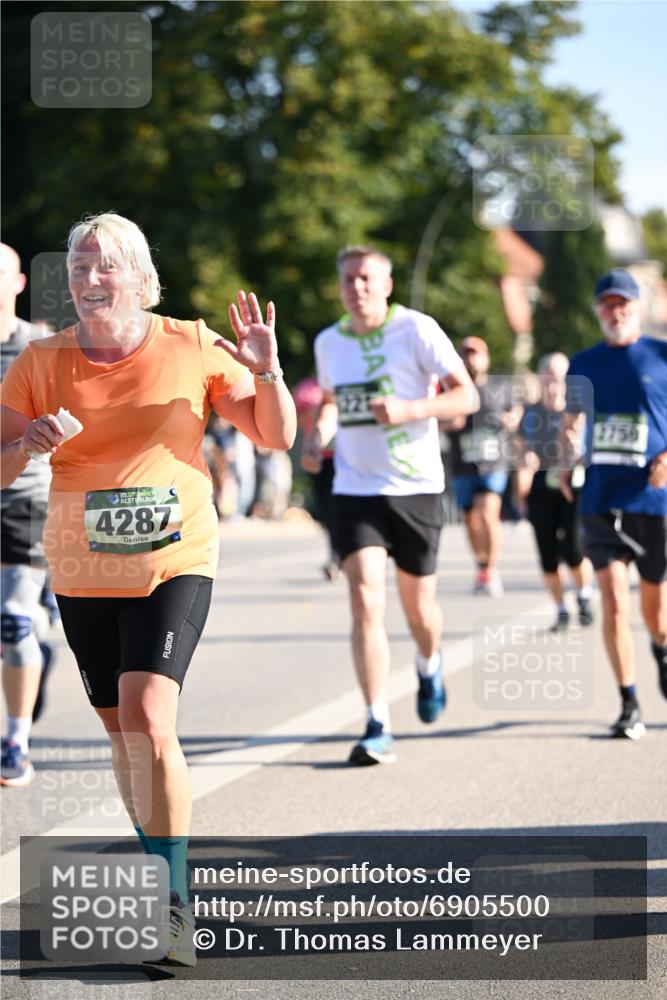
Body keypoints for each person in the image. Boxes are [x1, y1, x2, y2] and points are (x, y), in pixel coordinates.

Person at [0, 213, 296, 962]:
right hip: (82, 565)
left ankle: (171, 903)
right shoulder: (40, 360)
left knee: (148, 711)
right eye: (78, 267)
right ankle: (156, 876)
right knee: (122, 734)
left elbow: (276, 436)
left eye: (105, 265)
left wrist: (267, 371)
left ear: (138, 275)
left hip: (174, 556)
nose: (90, 279)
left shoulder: (190, 344)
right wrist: (22, 443)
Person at [302, 245, 478, 765]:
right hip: (356, 490)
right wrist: (317, 437)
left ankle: (429, 661)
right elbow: (331, 402)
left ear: (386, 284)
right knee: (364, 600)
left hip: (415, 487)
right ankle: (377, 721)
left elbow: (466, 397)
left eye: (365, 279)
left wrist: (411, 409)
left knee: (419, 608)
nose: (356, 287)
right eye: (348, 279)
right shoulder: (329, 342)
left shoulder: (417, 330)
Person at [561, 269, 667, 740]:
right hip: (601, 496)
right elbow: (570, 422)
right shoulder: (583, 363)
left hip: (652, 498)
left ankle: (661, 650)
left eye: (622, 302)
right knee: (613, 602)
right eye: (606, 303)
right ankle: (628, 701)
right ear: (597, 310)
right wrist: (565, 453)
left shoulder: (662, 356)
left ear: (637, 306)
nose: (614, 311)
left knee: (656, 615)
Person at [0, 242, 55, 787]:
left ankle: (15, 740)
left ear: (17, 283)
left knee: (12, 620)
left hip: (28, 500)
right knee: (16, 626)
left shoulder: (40, 347)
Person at [516, 352, 594, 632]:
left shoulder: (577, 412)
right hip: (541, 486)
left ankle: (584, 595)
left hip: (573, 484)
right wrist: (525, 463)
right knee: (547, 554)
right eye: (547, 381)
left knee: (573, 548)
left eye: (558, 381)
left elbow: (589, 451)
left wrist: (577, 453)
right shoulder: (531, 413)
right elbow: (521, 452)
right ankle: (561, 609)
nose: (552, 387)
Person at [444, 337, 519, 597]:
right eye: (465, 354)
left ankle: (492, 570)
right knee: (470, 520)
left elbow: (516, 410)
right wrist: (447, 423)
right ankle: (480, 564)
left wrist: (511, 419)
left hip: (493, 462)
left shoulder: (500, 386)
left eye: (475, 354)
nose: (470, 359)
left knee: (488, 513)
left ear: (485, 358)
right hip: (463, 463)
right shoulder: (452, 388)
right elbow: (438, 420)